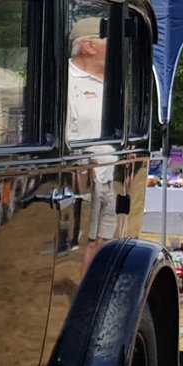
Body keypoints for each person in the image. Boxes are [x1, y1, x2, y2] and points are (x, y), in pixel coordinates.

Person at [65, 16, 117, 268]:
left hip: (110, 176)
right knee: (86, 241)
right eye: (108, 39)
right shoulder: (65, 81)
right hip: (82, 178)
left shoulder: (114, 84)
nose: (116, 45)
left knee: (105, 240)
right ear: (88, 46)